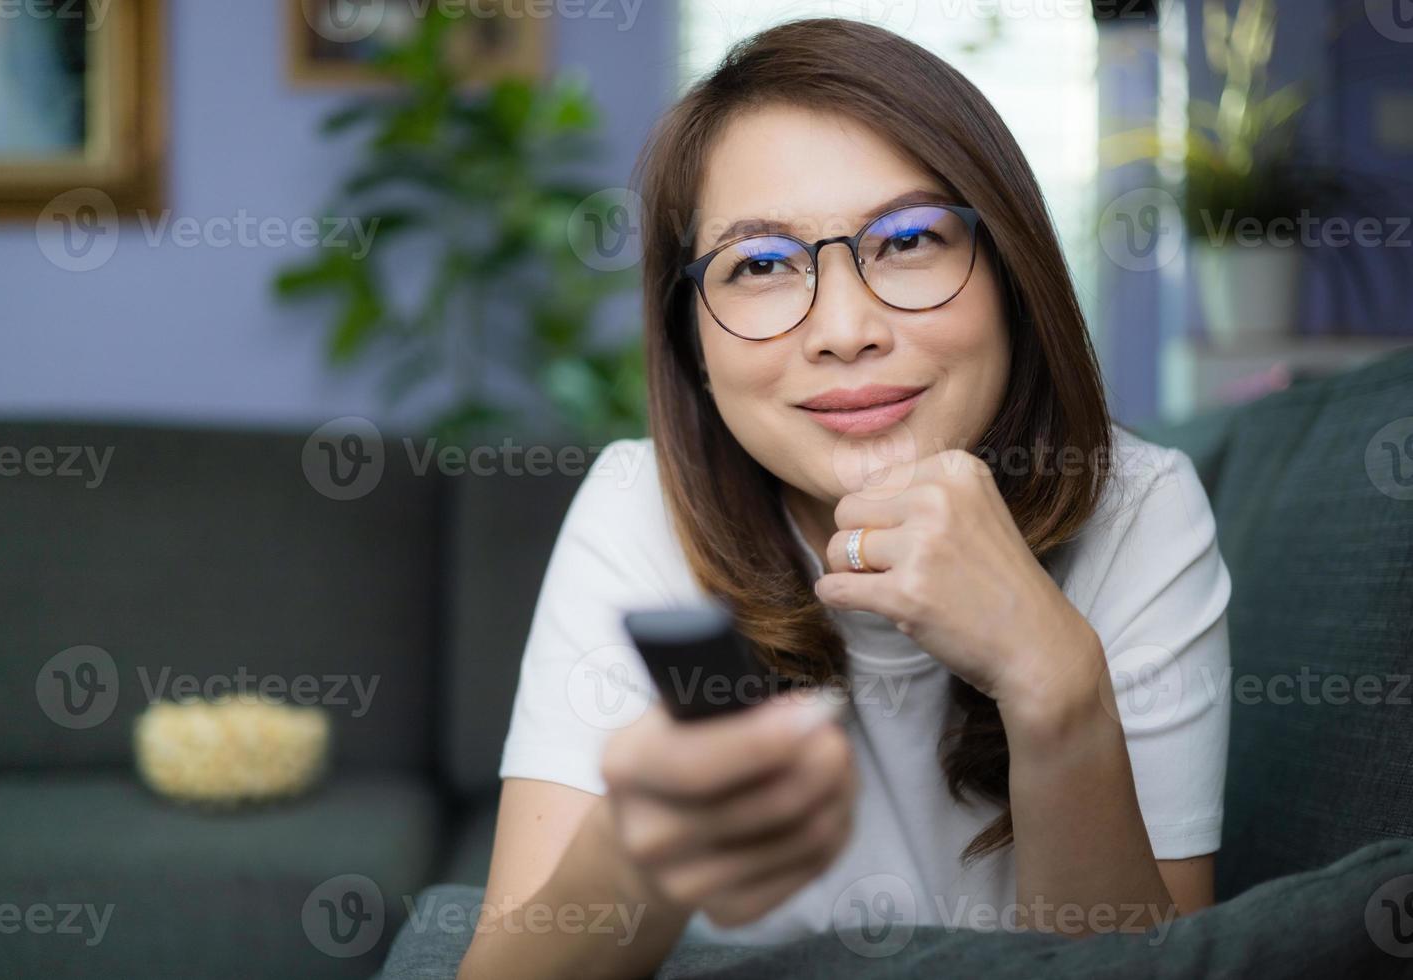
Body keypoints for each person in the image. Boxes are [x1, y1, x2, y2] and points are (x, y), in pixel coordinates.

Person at [457, 17, 1231, 980]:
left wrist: (1058, 683)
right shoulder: (636, 508)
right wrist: (632, 851)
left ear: (1013, 275)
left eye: (908, 240)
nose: (845, 328)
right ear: (693, 342)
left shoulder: (1139, 510)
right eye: (763, 265)